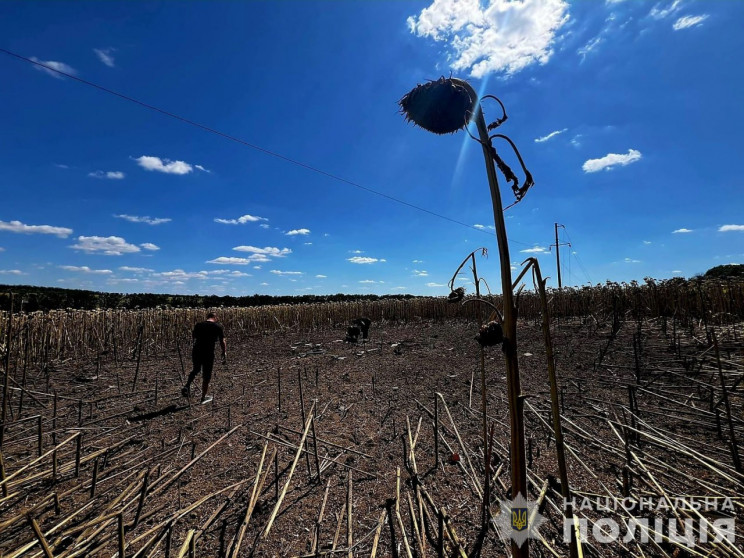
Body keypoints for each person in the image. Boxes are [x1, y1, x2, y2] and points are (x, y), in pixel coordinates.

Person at [181, 312, 226, 403]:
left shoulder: (199, 325)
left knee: (196, 369)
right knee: (206, 376)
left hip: (197, 350)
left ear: (207, 317)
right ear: (215, 317)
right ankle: (203, 397)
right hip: (208, 353)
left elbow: (193, 336)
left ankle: (187, 385)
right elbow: (222, 341)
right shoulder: (218, 326)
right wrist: (224, 352)